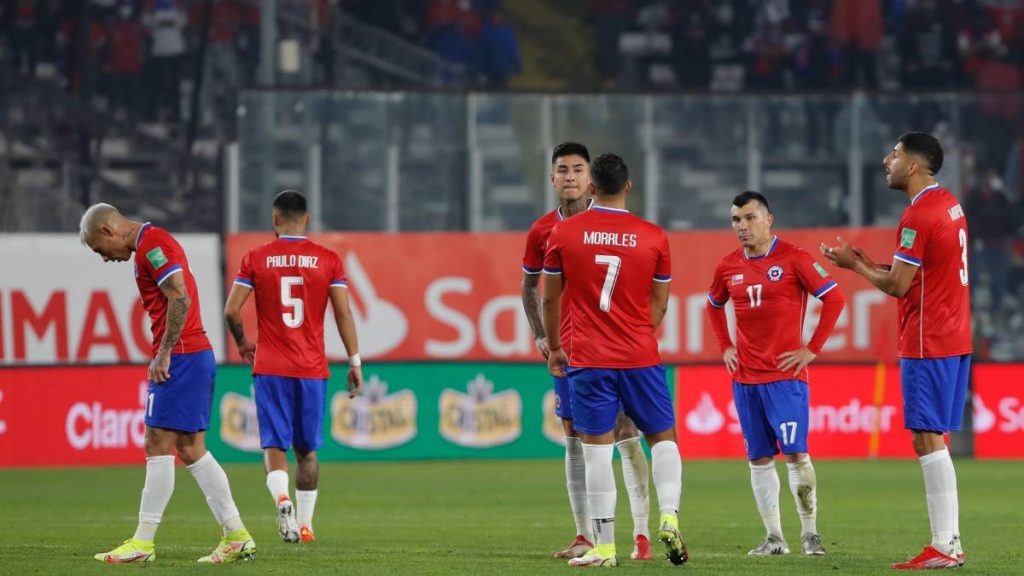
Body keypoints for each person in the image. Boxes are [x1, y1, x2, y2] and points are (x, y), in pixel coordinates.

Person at [822, 132, 971, 569]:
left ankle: (945, 546)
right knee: (935, 437)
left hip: (928, 339)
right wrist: (870, 262)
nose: (886, 159)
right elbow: (922, 274)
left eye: (895, 154)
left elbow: (898, 286)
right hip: (954, 335)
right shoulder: (950, 203)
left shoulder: (918, 215)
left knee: (926, 438)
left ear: (913, 166)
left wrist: (855, 266)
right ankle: (950, 542)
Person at [80, 203, 255, 564]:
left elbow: (179, 295)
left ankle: (143, 542)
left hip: (183, 355)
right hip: (194, 352)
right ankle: (236, 535)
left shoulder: (152, 245)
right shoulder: (149, 245)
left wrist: (165, 352)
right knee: (190, 449)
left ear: (108, 231)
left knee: (156, 442)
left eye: (100, 250)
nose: (104, 258)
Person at [542, 153, 687, 568]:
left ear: (591, 187)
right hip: (640, 355)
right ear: (628, 185)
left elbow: (550, 298)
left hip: (588, 358)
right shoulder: (654, 236)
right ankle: (669, 517)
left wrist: (555, 347)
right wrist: (637, 335)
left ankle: (603, 548)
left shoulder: (566, 234)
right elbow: (659, 303)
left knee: (596, 452)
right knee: (663, 439)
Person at [521, 143, 654, 561]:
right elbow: (530, 289)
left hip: (618, 348)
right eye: (562, 170)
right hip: (572, 353)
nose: (571, 177)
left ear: (591, 179)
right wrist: (543, 336)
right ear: (552, 178)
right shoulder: (543, 231)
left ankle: (642, 532)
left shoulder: (620, 226)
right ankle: (584, 533)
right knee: (574, 435)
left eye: (578, 169)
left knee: (627, 430)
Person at [705, 191, 846, 557]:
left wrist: (811, 349)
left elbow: (834, 298)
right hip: (745, 379)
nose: (742, 226)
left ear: (769, 219)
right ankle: (774, 538)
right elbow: (713, 306)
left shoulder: (795, 259)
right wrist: (725, 346)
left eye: (750, 218)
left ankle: (810, 534)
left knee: (796, 455)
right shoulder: (727, 266)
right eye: (736, 219)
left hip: (785, 378)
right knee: (759, 459)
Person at [224, 190, 364, 544]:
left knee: (274, 445)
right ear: (308, 219)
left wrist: (242, 343)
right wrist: (354, 360)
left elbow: (230, 311)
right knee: (307, 451)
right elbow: (343, 313)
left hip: (270, 366)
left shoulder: (255, 258)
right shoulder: (328, 260)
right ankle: (305, 526)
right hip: (312, 369)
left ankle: (281, 498)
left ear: (274, 220)